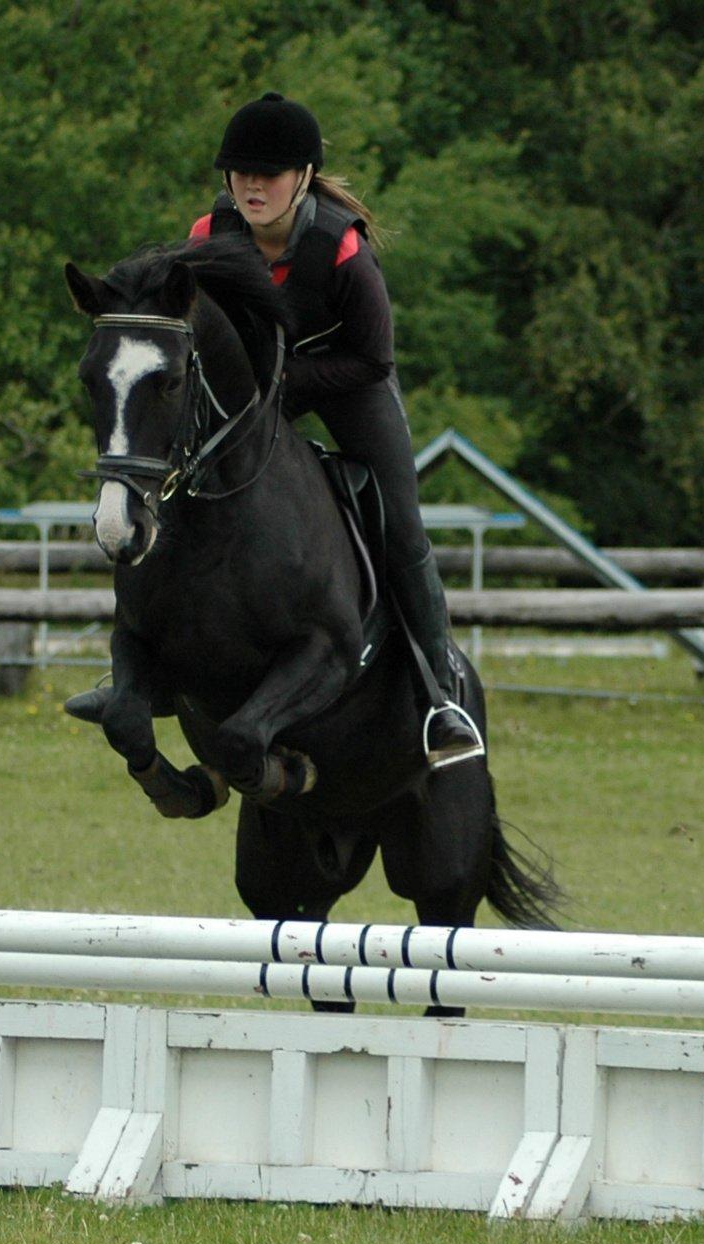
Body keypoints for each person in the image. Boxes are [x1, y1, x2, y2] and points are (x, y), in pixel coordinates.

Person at [73, 93, 481, 768]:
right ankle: (141, 672)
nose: (251, 185)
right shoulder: (211, 232)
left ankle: (440, 693)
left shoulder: (342, 248)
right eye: (240, 172)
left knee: (401, 518)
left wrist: (285, 387)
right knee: (179, 476)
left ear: (304, 176)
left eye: (269, 173)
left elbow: (373, 358)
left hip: (348, 382)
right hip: (256, 383)